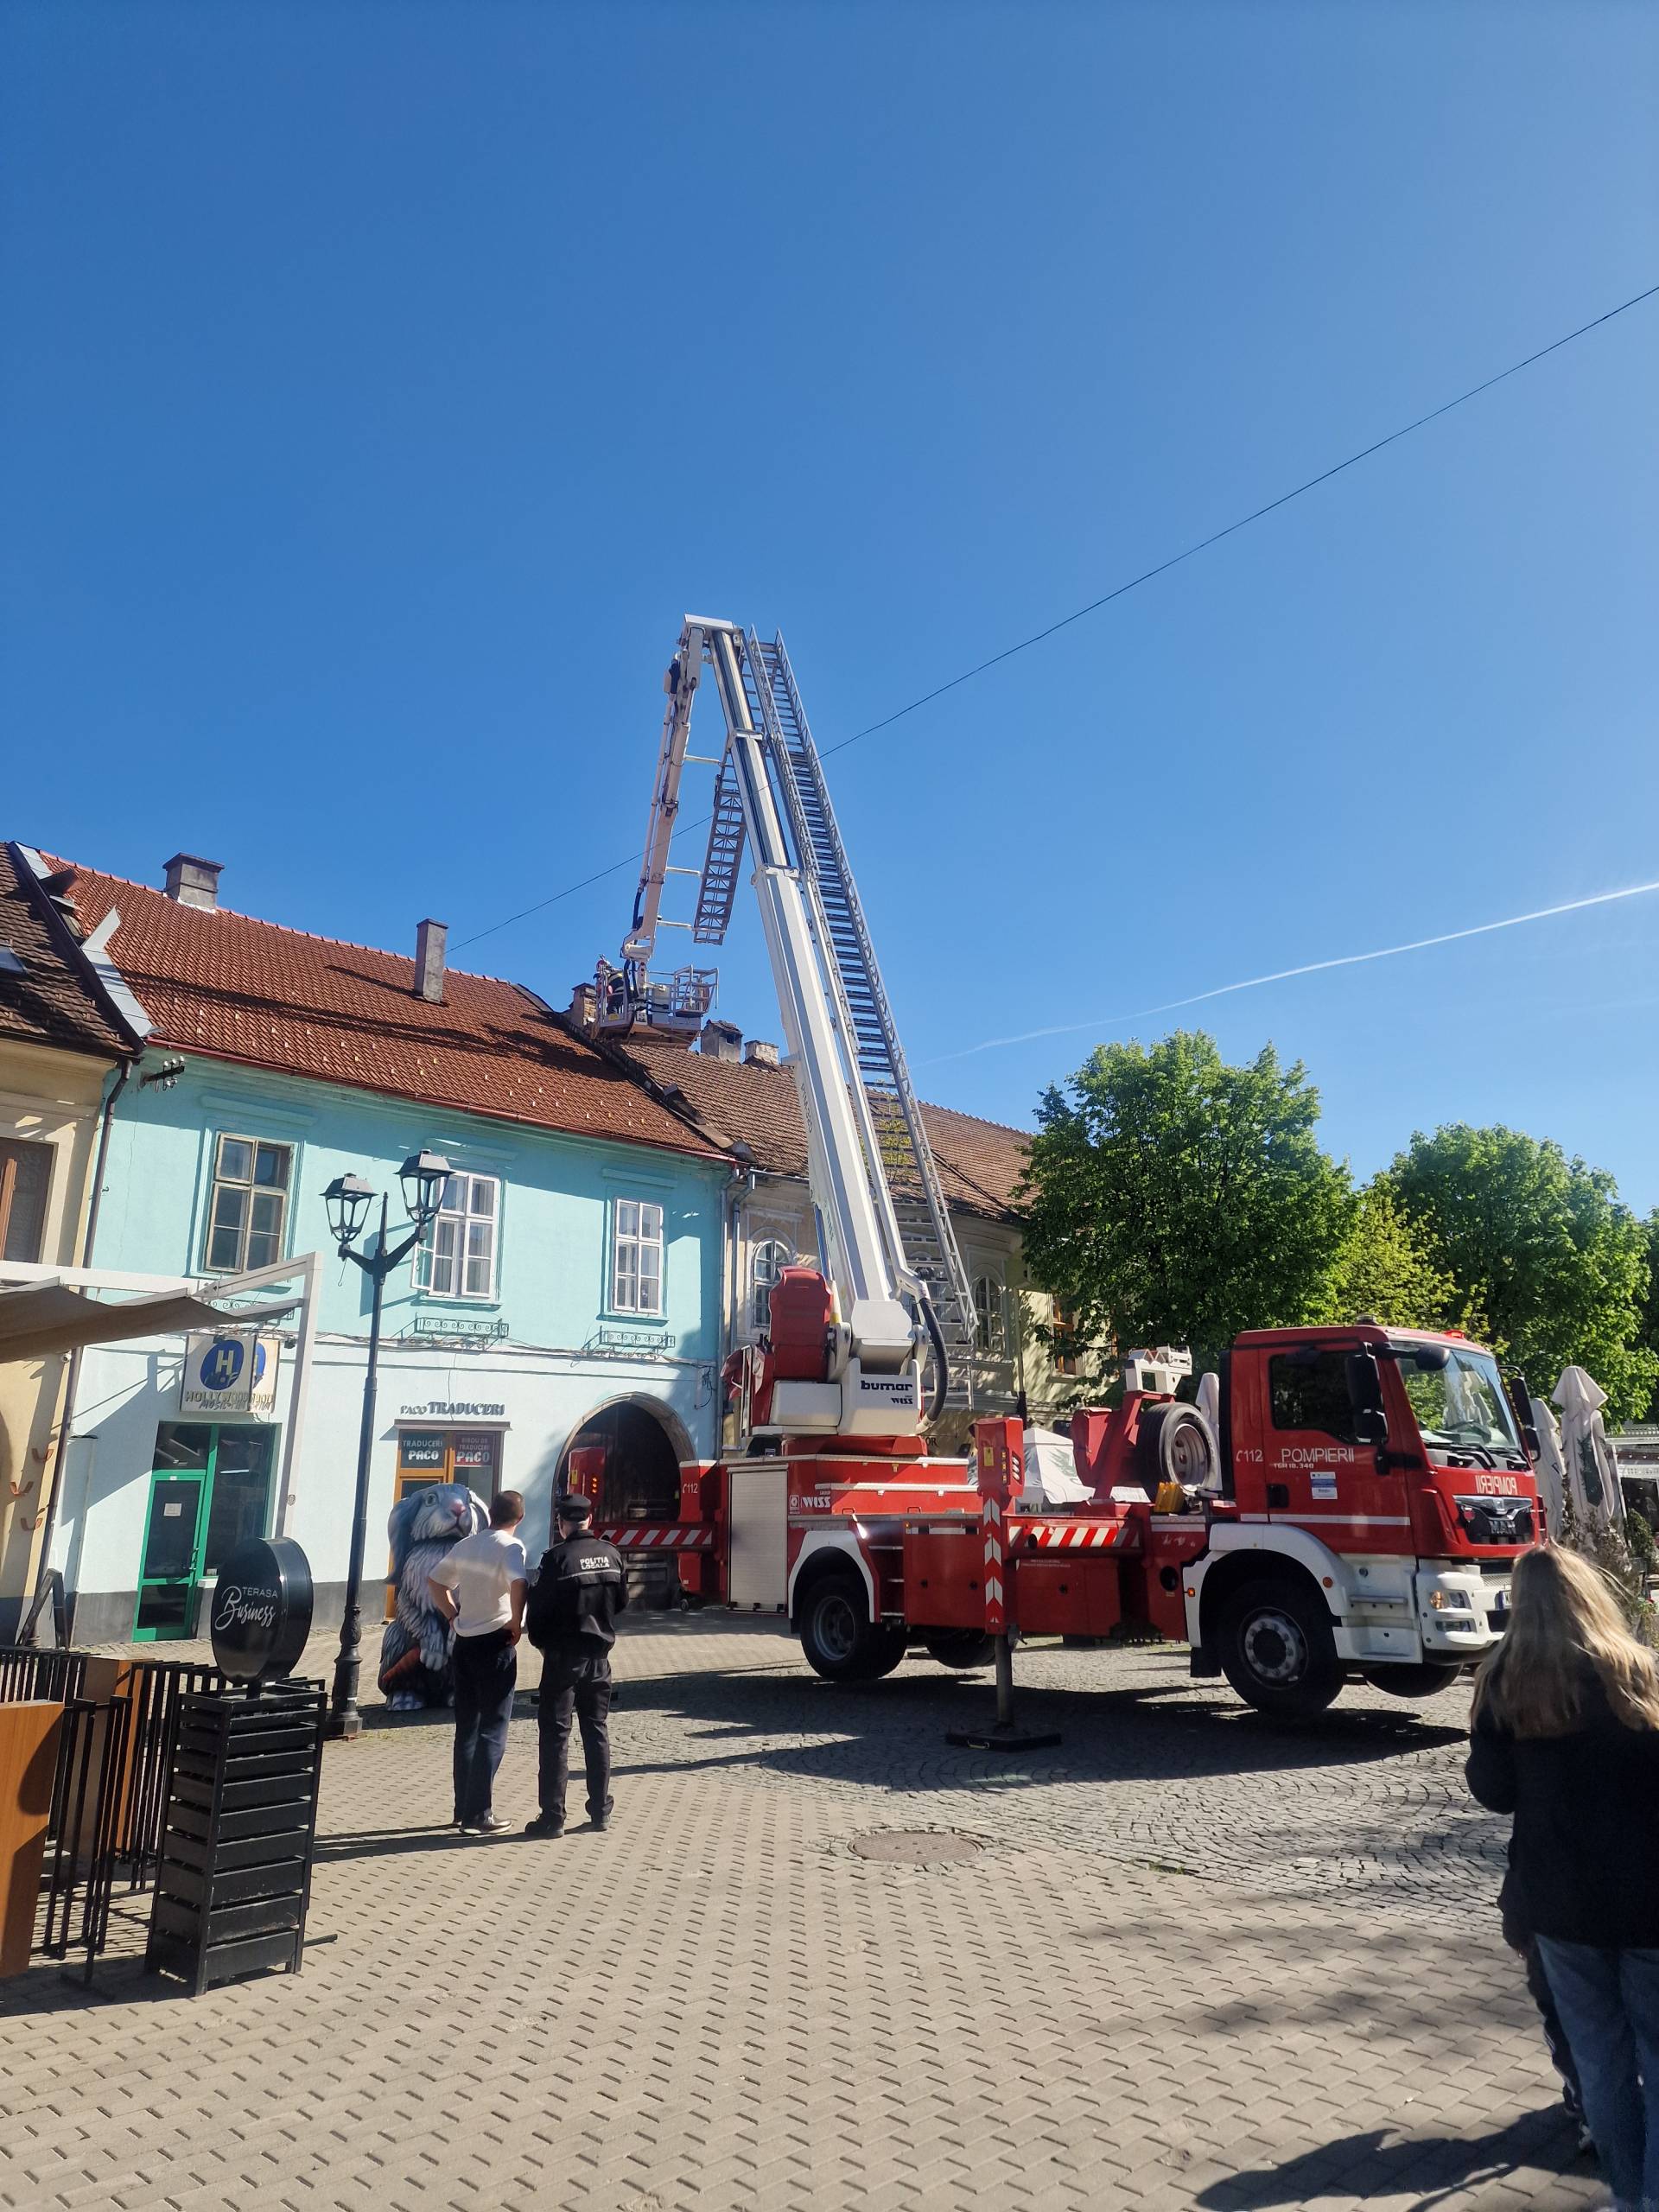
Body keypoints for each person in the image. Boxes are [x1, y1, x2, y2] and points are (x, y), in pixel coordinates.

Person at [1467, 1543, 1659, 2209]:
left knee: (1601, 2065)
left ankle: (1631, 2198)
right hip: (1649, 1897)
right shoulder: (1638, 1671)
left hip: (1561, 1904)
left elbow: (1494, 1793)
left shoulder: (1504, 1684)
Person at [524, 1493, 628, 1838]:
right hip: (600, 1659)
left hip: (563, 1659)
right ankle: (600, 1811)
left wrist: (542, 1644)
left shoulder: (556, 1559)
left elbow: (537, 1613)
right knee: (596, 1731)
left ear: (560, 1523)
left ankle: (553, 1818)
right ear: (589, 1519)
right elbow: (621, 1602)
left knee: (556, 1736)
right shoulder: (612, 1555)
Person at [427, 1489, 528, 1837]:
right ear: (520, 1518)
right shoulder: (511, 1547)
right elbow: (519, 1581)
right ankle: (479, 1813)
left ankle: (462, 1808)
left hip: (465, 1642)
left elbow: (435, 1581)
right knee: (493, 1729)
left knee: (467, 1727)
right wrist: (516, 1621)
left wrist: (451, 1615)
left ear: (490, 1515)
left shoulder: (466, 1545)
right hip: (496, 1641)